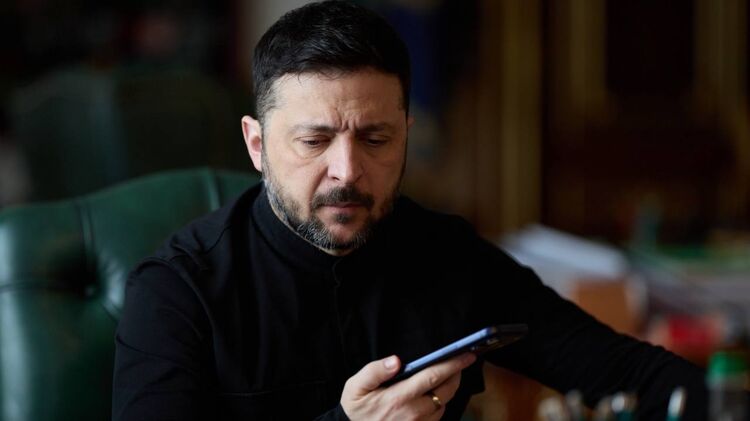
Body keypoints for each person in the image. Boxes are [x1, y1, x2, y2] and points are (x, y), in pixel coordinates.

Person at [111, 1, 709, 420]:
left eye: (376, 139)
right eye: (314, 141)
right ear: (257, 145)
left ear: (406, 134)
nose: (347, 172)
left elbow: (630, 374)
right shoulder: (176, 291)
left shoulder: (449, 255)